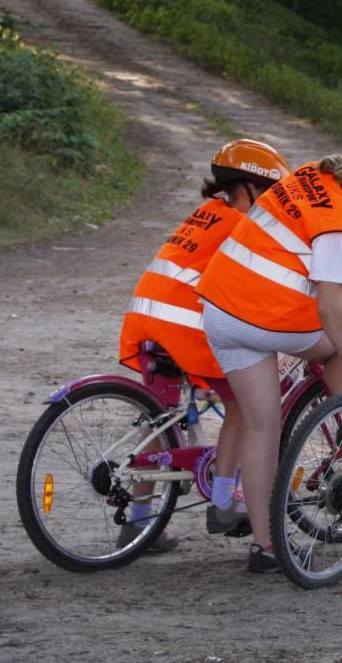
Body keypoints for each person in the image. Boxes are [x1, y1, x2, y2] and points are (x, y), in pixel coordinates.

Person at [195, 137, 342, 573]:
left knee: (261, 426)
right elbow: (329, 304)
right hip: (262, 313)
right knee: (335, 346)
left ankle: (266, 548)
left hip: (220, 310)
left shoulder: (317, 178)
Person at [118, 139, 292, 551]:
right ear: (250, 189)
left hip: (148, 321)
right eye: (267, 196)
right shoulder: (241, 224)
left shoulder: (205, 213)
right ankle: (223, 502)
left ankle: (140, 523)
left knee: (157, 417)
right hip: (184, 325)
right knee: (243, 405)